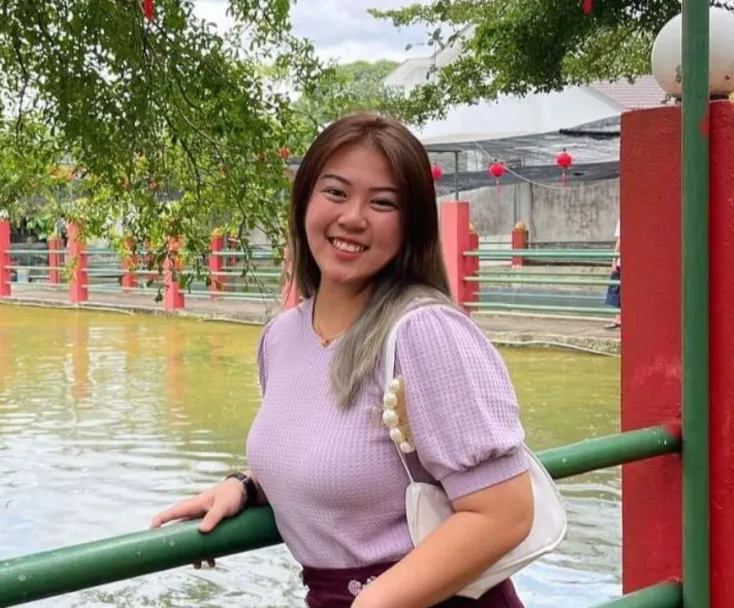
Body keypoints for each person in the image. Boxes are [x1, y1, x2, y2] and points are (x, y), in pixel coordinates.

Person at [151, 114, 534, 608]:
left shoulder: (424, 332)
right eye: (335, 192)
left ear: (411, 225)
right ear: (304, 202)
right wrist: (245, 487)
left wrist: (373, 603)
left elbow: (504, 513)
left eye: (382, 202)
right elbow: (332, 455)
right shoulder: (281, 338)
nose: (353, 217)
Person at [604, 218, 621, 329]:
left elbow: (620, 240)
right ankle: (619, 318)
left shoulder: (623, 220)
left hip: (621, 263)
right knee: (619, 291)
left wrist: (614, 260)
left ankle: (618, 319)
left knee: (617, 290)